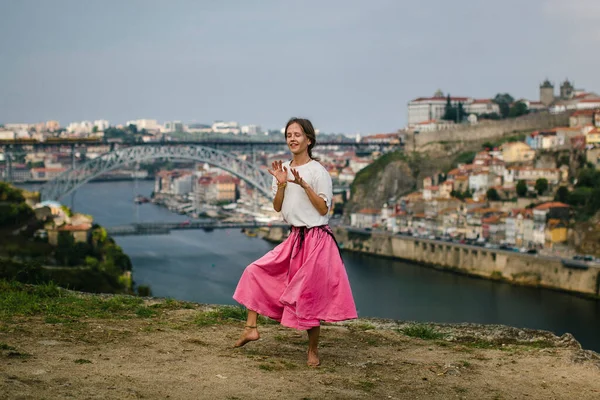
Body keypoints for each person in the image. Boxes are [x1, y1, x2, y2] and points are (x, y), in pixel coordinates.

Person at [233, 117, 357, 367]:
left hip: (317, 239)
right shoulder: (282, 169)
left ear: (309, 140)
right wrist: (281, 184)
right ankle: (251, 328)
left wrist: (304, 185)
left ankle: (313, 350)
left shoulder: (318, 172)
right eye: (288, 134)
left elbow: (323, 209)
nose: (292, 138)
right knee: (255, 270)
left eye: (297, 134)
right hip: (295, 237)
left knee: (309, 296)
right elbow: (278, 207)